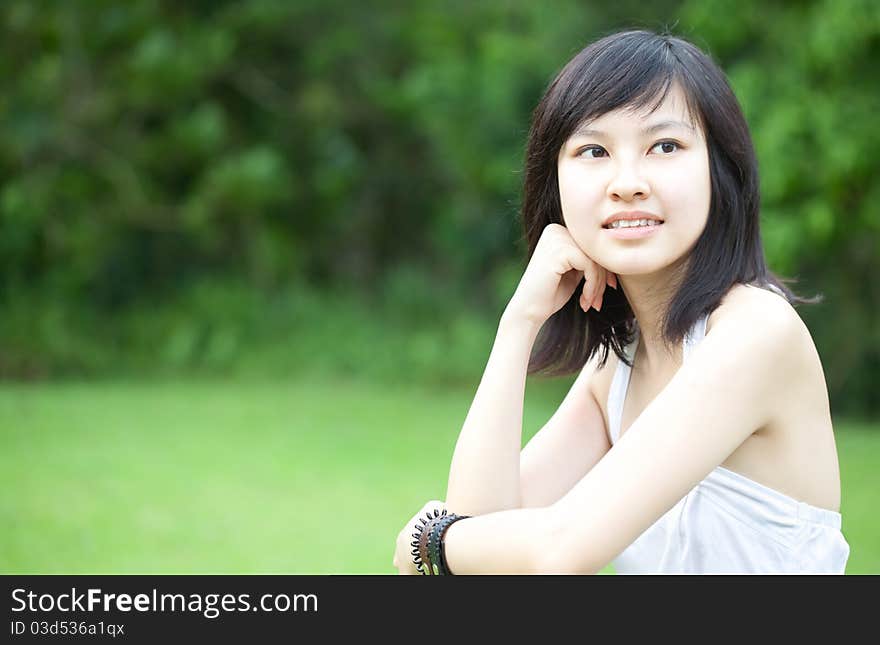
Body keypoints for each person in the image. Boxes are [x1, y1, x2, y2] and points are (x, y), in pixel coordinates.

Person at [392, 29, 850, 574]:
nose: (627, 183)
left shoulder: (756, 335)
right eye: (594, 150)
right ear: (555, 183)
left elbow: (555, 551)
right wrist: (519, 322)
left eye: (665, 146)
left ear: (719, 171)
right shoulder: (618, 365)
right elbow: (483, 557)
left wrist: (429, 541)